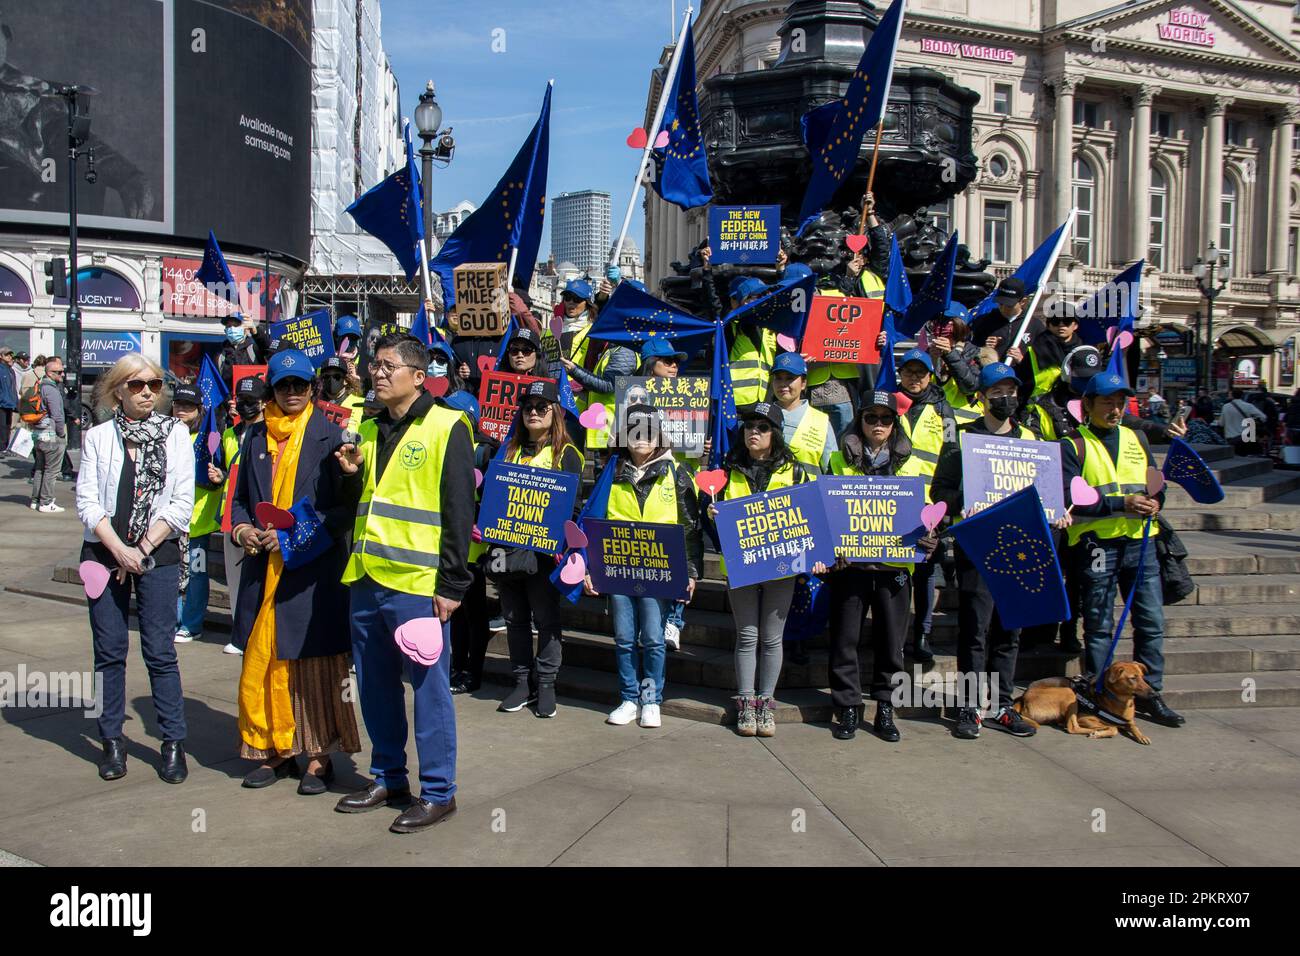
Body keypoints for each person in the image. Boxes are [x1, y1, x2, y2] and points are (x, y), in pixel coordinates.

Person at [335, 333, 475, 834]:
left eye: (387, 366)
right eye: (374, 365)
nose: (376, 373)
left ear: (418, 377)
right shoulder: (368, 429)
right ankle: (388, 776)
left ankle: (439, 792)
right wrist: (349, 474)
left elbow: (460, 510)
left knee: (429, 691)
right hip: (368, 578)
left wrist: (452, 584)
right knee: (373, 686)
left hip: (419, 587)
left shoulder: (448, 426)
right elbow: (366, 498)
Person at [229, 349, 361, 793]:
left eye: (300, 386)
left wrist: (291, 539)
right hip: (262, 574)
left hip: (312, 571)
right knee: (262, 659)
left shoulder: (333, 435)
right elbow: (241, 501)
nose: (291, 393)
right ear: (271, 389)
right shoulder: (253, 438)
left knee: (316, 667)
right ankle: (272, 750)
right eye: (283, 386)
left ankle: (319, 757)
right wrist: (243, 529)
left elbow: (344, 509)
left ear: (313, 388)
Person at [76, 354, 193, 783]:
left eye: (155, 385)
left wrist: (140, 549)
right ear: (118, 390)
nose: (147, 392)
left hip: (157, 553)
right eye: (138, 384)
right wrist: (119, 550)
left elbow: (182, 503)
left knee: (160, 651)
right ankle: (112, 742)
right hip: (103, 553)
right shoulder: (98, 437)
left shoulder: (176, 434)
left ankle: (172, 743)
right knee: (109, 651)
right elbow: (87, 502)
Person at [931, 363, 1050, 740]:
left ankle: (1000, 704)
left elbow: (1046, 492)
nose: (1006, 398)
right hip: (979, 547)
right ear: (980, 397)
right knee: (975, 629)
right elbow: (939, 492)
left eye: (1011, 391)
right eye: (997, 391)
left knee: (1009, 630)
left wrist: (1056, 511)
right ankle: (968, 705)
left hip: (1019, 548)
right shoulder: (963, 441)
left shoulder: (1031, 439)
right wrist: (964, 500)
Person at [1063, 370, 1185, 729]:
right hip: (1097, 544)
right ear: (1088, 405)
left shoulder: (1136, 437)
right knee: (1099, 625)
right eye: (1107, 402)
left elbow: (1154, 483)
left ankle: (1151, 694)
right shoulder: (1073, 444)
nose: (1115, 409)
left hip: (1141, 541)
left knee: (1151, 620)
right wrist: (1121, 504)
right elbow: (1070, 499)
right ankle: (1104, 694)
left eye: (1120, 402)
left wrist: (1155, 502)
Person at [825, 391, 937, 741]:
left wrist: (930, 533)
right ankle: (847, 707)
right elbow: (826, 509)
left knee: (892, 645)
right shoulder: (838, 460)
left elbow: (927, 511)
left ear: (895, 423)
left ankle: (886, 707)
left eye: (885, 419)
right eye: (870, 418)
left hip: (895, 568)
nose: (878, 425)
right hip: (851, 566)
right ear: (859, 420)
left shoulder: (913, 464)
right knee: (845, 640)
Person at [588, 403, 702, 729]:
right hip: (619, 568)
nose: (641, 437)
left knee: (653, 638)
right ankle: (628, 698)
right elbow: (593, 521)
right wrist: (590, 569)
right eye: (634, 429)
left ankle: (651, 698)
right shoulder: (610, 472)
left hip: (659, 571)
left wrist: (691, 572)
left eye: (647, 430)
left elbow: (690, 527)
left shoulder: (677, 474)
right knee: (624, 638)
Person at [710, 402, 815, 737]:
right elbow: (715, 528)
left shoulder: (796, 471)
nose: (753, 432)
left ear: (775, 434)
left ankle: (765, 704)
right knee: (747, 635)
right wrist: (711, 515)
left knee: (772, 638)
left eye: (763, 427)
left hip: (781, 566)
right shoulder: (728, 469)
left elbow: (812, 518)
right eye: (749, 426)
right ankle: (745, 703)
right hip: (741, 565)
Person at [489, 381, 583, 717]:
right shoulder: (508, 449)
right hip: (507, 547)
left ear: (555, 411)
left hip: (544, 553)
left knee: (545, 619)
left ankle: (546, 683)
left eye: (541, 406)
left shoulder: (567, 454)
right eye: (527, 406)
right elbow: (493, 493)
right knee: (514, 619)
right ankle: (520, 682)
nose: (532, 412)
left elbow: (572, 506)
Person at [895, 348, 956, 663]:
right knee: (898, 574)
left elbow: (951, 453)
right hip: (895, 502)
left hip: (932, 502)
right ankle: (896, 637)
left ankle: (922, 636)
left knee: (927, 574)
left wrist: (945, 503)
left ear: (930, 376)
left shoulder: (944, 410)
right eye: (908, 372)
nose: (914, 378)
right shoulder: (891, 405)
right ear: (900, 375)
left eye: (920, 373)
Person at [444, 390, 494, 696]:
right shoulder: (443, 440)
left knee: (474, 612)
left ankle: (473, 672)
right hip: (450, 541)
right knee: (457, 611)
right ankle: (457, 667)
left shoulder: (487, 450)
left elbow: (495, 494)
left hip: (475, 545)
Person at [212, 374, 266, 655]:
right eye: (241, 401)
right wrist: (218, 476)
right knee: (235, 580)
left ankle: (252, 633)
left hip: (258, 517)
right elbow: (226, 470)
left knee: (253, 580)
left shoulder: (267, 433)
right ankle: (239, 632)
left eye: (251, 401)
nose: (245, 406)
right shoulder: (230, 433)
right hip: (230, 515)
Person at [169, 383, 220, 644]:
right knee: (172, 575)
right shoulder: (166, 435)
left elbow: (220, 476)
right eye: (178, 404)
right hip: (170, 522)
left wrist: (217, 477)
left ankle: (191, 623)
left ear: (199, 410)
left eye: (188, 407)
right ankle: (173, 620)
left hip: (197, 524)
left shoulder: (208, 438)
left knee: (196, 576)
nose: (181, 410)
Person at [771, 352, 836, 473]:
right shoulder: (762, 417)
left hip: (810, 491)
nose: (783, 384)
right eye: (778, 378)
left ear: (803, 383)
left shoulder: (821, 421)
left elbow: (831, 470)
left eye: (790, 378)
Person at [930, 304, 984, 428]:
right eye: (937, 321)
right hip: (933, 424)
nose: (940, 326)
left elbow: (970, 386)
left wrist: (950, 354)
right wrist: (933, 360)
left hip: (964, 423)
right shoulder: (929, 351)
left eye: (946, 322)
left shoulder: (974, 353)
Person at [30, 354, 66, 512]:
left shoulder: (39, 386)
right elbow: (57, 416)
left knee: (40, 467)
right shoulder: (51, 390)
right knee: (51, 469)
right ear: (50, 373)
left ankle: (35, 500)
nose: (62, 374)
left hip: (38, 431)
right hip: (50, 433)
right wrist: (61, 434)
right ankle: (46, 502)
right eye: (59, 372)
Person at [971, 277, 1035, 363]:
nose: (1003, 308)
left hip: (1019, 375)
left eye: (1009, 305)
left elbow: (1042, 360)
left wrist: (1022, 360)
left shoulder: (1034, 325)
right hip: (990, 374)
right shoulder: (983, 321)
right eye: (1001, 304)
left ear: (1023, 302)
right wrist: (984, 349)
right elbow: (969, 352)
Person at [217, 314, 269, 390]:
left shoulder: (254, 348)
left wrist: (256, 332)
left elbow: (267, 348)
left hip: (254, 398)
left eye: (236, 325)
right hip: (233, 400)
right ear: (225, 331)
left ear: (246, 328)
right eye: (229, 326)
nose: (232, 329)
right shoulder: (222, 355)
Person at [318, 356, 365, 431]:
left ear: (346, 380)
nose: (331, 380)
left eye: (337, 376)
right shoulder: (313, 404)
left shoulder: (361, 404)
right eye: (326, 377)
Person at [1220, 388, 1267, 456]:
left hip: (1231, 438)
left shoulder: (1225, 407)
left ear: (1232, 395)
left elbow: (1221, 423)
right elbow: (1263, 417)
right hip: (1245, 437)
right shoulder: (1248, 406)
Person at [0, 346, 16, 452]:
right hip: (1, 403)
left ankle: (5, 447)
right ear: (1, 356)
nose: (10, 357)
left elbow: (12, 388)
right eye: (7, 354)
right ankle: (1, 448)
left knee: (7, 426)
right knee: (1, 427)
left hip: (10, 403)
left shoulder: (10, 370)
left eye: (10, 355)